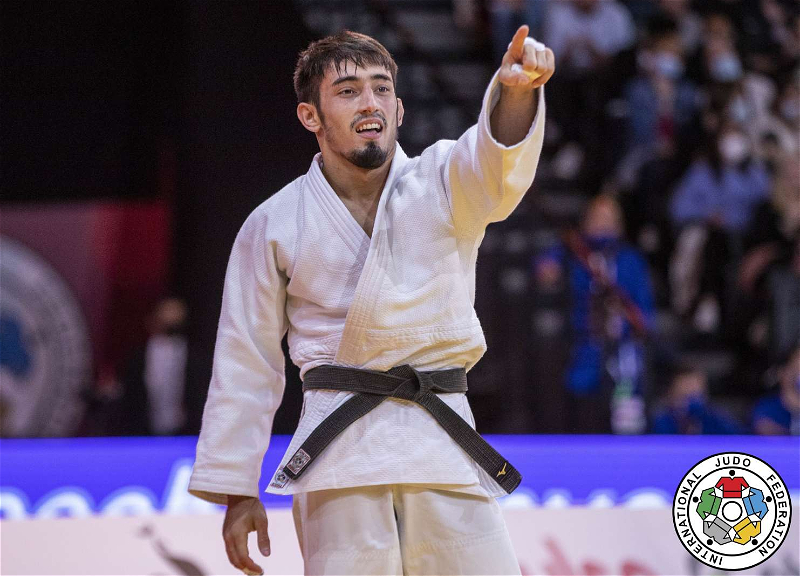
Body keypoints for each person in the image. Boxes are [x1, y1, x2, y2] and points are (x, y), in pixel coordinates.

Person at [187, 28, 554, 575]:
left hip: (441, 445)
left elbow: (495, 164)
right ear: (310, 116)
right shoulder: (274, 223)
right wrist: (237, 491)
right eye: (348, 91)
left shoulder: (443, 181)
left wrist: (517, 91)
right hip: (339, 457)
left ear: (399, 109)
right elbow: (246, 362)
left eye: (382, 89)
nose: (369, 102)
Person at [651, 364, 745, 434]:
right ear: (671, 392)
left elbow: (738, 437)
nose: (692, 390)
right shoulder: (662, 421)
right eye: (687, 385)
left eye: (697, 388)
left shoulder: (713, 417)